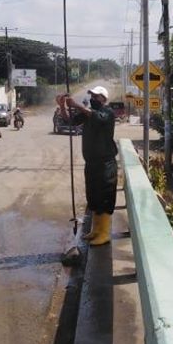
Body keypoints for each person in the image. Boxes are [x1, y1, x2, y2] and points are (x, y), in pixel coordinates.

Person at [57, 85, 117, 246]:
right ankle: (96, 230)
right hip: (91, 163)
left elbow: (96, 117)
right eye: (91, 96)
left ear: (103, 98)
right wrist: (62, 106)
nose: (92, 98)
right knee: (94, 197)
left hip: (105, 164)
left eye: (96, 96)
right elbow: (69, 121)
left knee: (104, 198)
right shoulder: (88, 113)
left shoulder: (107, 112)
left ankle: (104, 233)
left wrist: (76, 105)